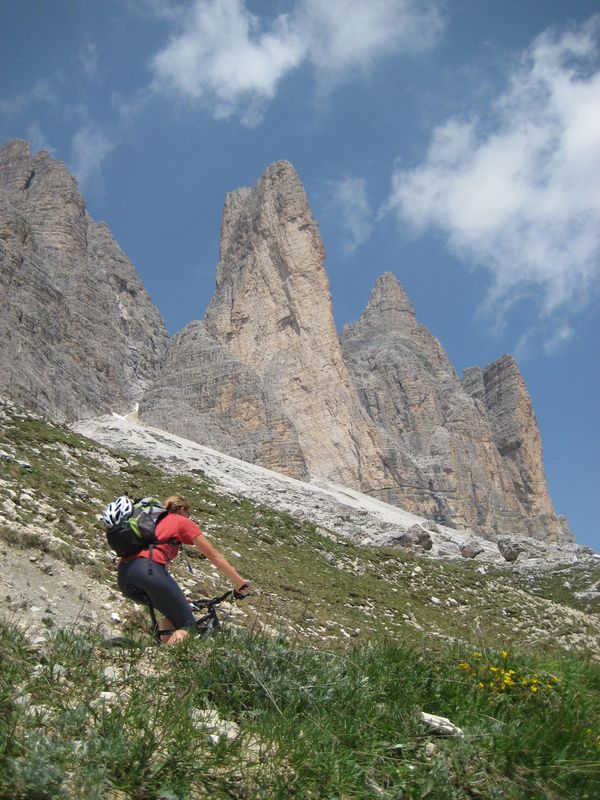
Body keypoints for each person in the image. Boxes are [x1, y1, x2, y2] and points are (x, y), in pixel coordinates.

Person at [117, 494, 249, 644]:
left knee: (173, 612)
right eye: (189, 513)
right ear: (181, 509)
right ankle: (167, 663)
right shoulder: (181, 522)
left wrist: (177, 598)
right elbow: (214, 555)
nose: (189, 517)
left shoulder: (154, 522)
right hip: (149, 570)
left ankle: (163, 649)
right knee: (187, 624)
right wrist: (240, 582)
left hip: (124, 574)